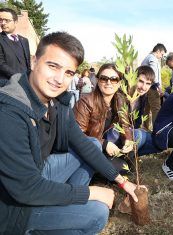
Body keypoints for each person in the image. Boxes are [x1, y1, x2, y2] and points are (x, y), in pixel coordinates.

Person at [0, 31, 144, 235]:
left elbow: (83, 143)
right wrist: (89, 193)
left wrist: (122, 181)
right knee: (97, 213)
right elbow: (25, 188)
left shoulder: (56, 103)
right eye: (53, 66)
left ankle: (61, 207)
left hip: (37, 173)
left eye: (68, 72)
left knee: (92, 145)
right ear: (34, 61)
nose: (59, 79)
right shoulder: (9, 112)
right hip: (11, 206)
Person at [73, 63, 134, 174]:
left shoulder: (120, 100)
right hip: (90, 149)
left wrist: (127, 140)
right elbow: (77, 135)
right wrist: (104, 144)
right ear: (97, 80)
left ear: (119, 82)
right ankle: (88, 170)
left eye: (114, 79)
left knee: (131, 160)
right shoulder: (85, 101)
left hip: (108, 144)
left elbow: (125, 125)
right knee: (121, 168)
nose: (108, 82)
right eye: (104, 78)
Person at [141, 43, 167, 129]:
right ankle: (157, 130)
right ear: (158, 51)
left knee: (147, 108)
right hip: (152, 87)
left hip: (147, 87)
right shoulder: (153, 59)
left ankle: (145, 128)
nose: (161, 56)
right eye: (162, 54)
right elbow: (153, 74)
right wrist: (159, 88)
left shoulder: (147, 58)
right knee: (156, 108)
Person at [0, 8, 31, 80]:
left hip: (25, 82)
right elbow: (1, 64)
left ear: (16, 22)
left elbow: (28, 63)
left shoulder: (24, 41)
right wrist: (19, 77)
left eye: (6, 20)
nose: (3, 23)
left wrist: (29, 77)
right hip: (6, 84)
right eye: (0, 20)